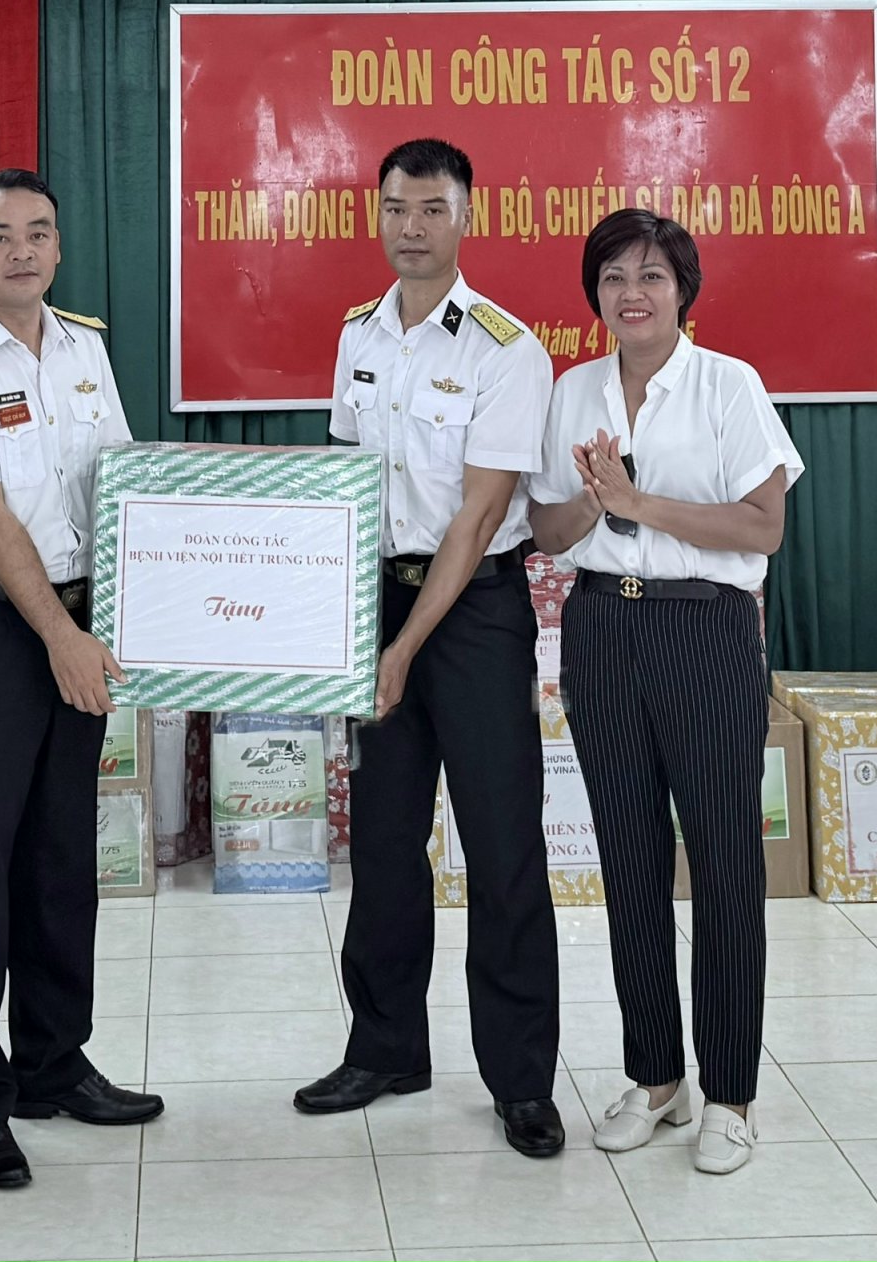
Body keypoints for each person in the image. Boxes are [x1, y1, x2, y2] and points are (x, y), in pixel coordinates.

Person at [295, 138, 564, 1158]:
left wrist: (402, 650)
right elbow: (344, 489)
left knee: (501, 847)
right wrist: (339, 626)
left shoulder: (506, 349)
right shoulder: (356, 334)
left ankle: (521, 1081)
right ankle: (385, 1047)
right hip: (377, 605)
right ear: (377, 215)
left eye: (432, 209)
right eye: (396, 209)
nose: (411, 228)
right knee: (381, 841)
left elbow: (479, 514)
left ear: (466, 217)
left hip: (475, 616)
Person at [0, 167, 162, 1191]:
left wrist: (132, 620)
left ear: (57, 247)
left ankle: (53, 1062)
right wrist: (57, 633)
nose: (21, 250)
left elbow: (124, 486)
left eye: (38, 232)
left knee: (59, 856)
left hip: (79, 624)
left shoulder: (85, 348)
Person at [528, 209, 802, 1175]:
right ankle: (656, 1079)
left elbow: (763, 527)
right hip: (603, 628)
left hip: (706, 629)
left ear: (683, 289)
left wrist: (638, 501)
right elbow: (548, 534)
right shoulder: (573, 391)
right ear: (594, 294)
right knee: (628, 860)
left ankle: (730, 1094)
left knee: (724, 865)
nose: (631, 294)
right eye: (612, 278)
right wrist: (592, 500)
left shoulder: (728, 384)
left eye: (650, 276)